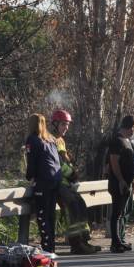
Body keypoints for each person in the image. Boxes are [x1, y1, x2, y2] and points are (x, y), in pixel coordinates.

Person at [49, 109, 101, 255]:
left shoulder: (60, 140)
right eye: (63, 124)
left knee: (81, 204)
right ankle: (76, 244)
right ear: (55, 124)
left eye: (67, 125)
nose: (66, 127)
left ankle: (84, 240)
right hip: (58, 183)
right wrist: (72, 173)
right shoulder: (51, 139)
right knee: (72, 207)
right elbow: (57, 163)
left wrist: (72, 171)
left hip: (66, 183)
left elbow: (64, 160)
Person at [24, 114, 62, 254]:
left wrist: (29, 177)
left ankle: (46, 247)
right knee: (51, 214)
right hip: (55, 180)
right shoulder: (51, 138)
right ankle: (51, 246)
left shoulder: (32, 139)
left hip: (44, 182)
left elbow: (31, 162)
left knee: (42, 215)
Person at [106, 115, 134, 252]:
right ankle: (115, 243)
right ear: (132, 127)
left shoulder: (127, 140)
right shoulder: (117, 140)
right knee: (117, 214)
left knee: (120, 213)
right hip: (118, 183)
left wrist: (132, 182)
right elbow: (114, 162)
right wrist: (121, 180)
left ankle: (119, 240)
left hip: (127, 183)